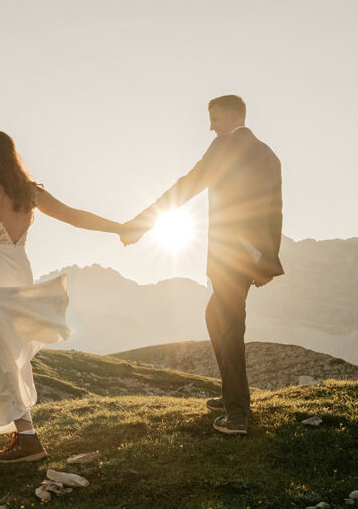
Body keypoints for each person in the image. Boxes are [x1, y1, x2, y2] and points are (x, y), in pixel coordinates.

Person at [0, 130, 121, 462]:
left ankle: (27, 438)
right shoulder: (30, 192)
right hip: (20, 272)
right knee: (1, 352)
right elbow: (74, 217)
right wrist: (120, 227)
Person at [120, 95, 284, 435]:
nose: (210, 126)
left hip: (229, 252)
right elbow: (274, 211)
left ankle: (238, 414)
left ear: (234, 115)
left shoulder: (223, 147)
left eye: (215, 118)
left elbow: (187, 186)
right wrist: (267, 261)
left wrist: (141, 224)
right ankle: (232, 397)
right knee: (217, 317)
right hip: (252, 254)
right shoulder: (268, 154)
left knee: (229, 326)